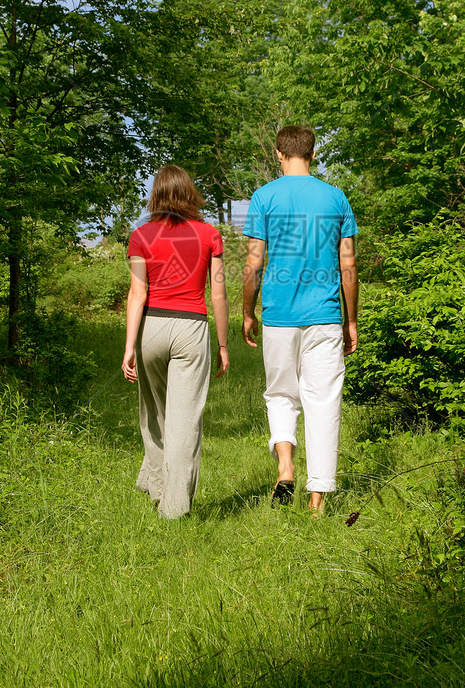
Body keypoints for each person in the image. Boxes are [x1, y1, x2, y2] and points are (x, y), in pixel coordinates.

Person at [242, 126, 358, 514]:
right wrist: (351, 321)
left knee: (280, 394)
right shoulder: (336, 198)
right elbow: (348, 264)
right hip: (325, 316)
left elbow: (254, 261)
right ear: (312, 153)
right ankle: (318, 500)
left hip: (278, 315)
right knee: (323, 400)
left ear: (278, 153)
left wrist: (247, 311)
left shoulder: (264, 197)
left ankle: (286, 466)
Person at [122, 165, 230, 519]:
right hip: (191, 329)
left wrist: (129, 347)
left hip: (151, 328)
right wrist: (224, 344)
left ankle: (156, 488)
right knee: (184, 421)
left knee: (155, 415)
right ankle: (173, 508)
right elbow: (218, 293)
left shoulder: (140, 235)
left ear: (156, 195)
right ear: (189, 194)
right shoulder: (209, 234)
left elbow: (138, 293)